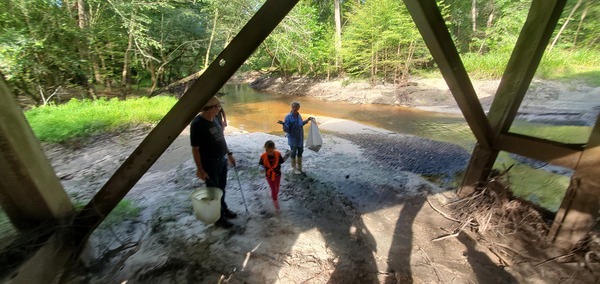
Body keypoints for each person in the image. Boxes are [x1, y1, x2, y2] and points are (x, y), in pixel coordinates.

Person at [190, 96, 237, 228]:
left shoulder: (215, 118)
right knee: (213, 192)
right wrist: (200, 169)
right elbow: (195, 149)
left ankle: (224, 209)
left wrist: (229, 154)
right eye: (217, 106)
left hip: (221, 160)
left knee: (221, 188)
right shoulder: (197, 124)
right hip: (209, 163)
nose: (219, 108)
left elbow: (221, 139)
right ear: (209, 109)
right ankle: (218, 218)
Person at [277, 101, 313, 174]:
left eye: (296, 107)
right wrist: (283, 124)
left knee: (300, 152)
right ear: (291, 107)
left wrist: (307, 120)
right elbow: (287, 129)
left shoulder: (299, 115)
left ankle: (299, 167)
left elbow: (300, 124)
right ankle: (294, 168)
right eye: (293, 107)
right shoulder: (288, 117)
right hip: (293, 138)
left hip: (300, 138)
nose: (295, 108)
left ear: (298, 108)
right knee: (293, 153)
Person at [258, 140, 290, 212]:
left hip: (277, 174)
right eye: (268, 150)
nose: (270, 152)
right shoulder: (263, 156)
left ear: (274, 148)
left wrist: (287, 155)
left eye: (271, 150)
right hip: (269, 175)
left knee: (277, 188)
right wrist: (261, 169)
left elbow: (281, 161)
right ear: (265, 149)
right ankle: (276, 206)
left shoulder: (278, 154)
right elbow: (261, 164)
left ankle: (274, 197)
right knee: (273, 189)